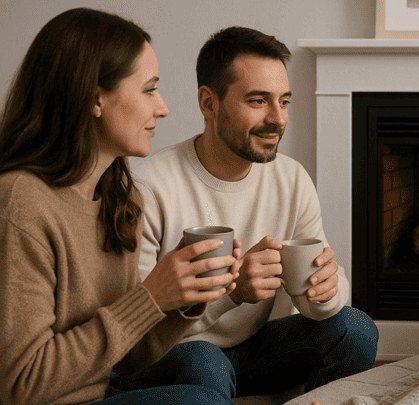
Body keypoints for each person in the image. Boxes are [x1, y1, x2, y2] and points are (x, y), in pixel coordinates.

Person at [0, 7, 242, 405]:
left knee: (202, 357)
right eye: (149, 89)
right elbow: (21, 385)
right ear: (96, 98)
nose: (162, 108)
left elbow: (127, 360)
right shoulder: (21, 204)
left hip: (96, 388)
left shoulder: (119, 199)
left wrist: (184, 297)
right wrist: (150, 297)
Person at [132, 26, 378, 397]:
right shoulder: (150, 186)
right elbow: (135, 333)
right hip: (173, 356)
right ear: (208, 103)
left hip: (253, 350)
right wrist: (232, 293)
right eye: (258, 101)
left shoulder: (291, 179)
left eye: (285, 101)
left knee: (358, 329)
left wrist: (325, 292)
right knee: (203, 361)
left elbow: (323, 296)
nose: (278, 119)